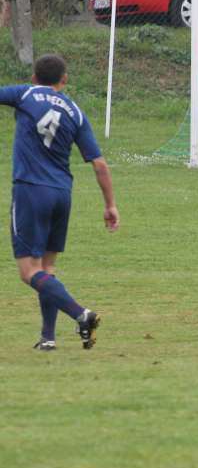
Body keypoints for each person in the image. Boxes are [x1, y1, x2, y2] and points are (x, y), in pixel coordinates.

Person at [0, 54, 119, 350]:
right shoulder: (76, 112)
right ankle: (48, 338)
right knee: (47, 269)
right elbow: (100, 165)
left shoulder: (25, 93)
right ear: (63, 81)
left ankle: (82, 314)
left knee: (29, 271)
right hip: (61, 195)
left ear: (33, 78)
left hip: (30, 190)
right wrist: (110, 205)